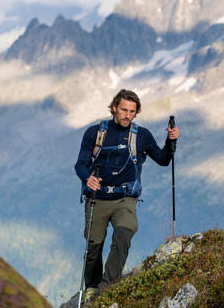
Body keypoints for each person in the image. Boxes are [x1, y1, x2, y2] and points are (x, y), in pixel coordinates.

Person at [74, 89, 180, 300]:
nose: (127, 115)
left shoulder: (142, 135)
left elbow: (163, 159)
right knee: (93, 246)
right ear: (114, 107)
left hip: (125, 199)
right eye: (124, 110)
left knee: (125, 231)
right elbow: (80, 164)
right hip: (97, 198)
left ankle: (106, 286)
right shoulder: (94, 133)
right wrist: (87, 178)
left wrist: (170, 142)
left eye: (132, 111)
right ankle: (92, 288)